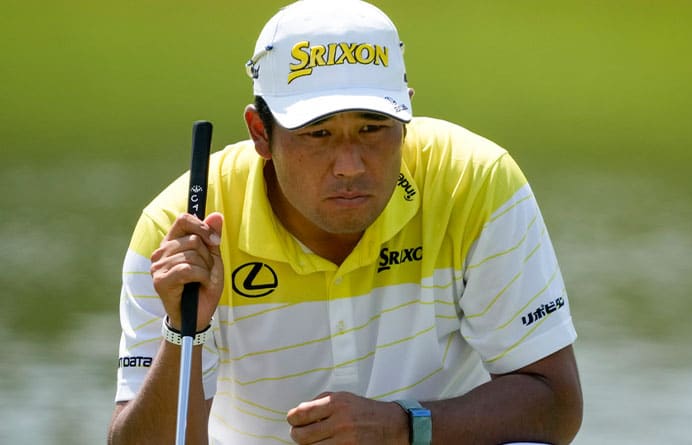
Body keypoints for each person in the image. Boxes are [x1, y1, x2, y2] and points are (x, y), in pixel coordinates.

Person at [108, 0, 583, 443]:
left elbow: (557, 403)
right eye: (318, 134)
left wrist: (404, 427)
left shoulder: (473, 182)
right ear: (260, 133)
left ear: (406, 116)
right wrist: (183, 330)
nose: (350, 165)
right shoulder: (180, 228)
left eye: (373, 128)